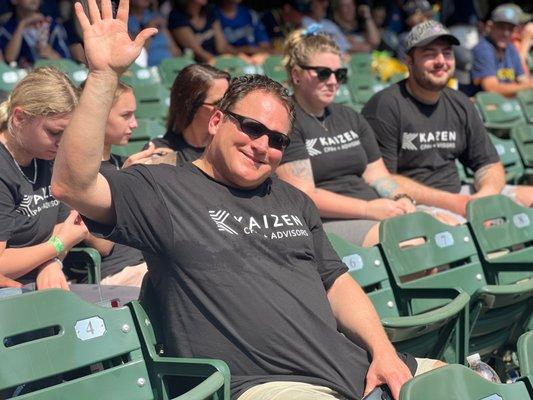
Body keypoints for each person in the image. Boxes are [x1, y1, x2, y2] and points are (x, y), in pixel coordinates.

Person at [52, 1, 444, 399]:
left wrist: (384, 352)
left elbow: (336, 281)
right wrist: (103, 76)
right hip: (268, 387)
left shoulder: (293, 201)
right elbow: (72, 185)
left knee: (477, 387)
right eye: (252, 128)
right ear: (218, 121)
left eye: (277, 140)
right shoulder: (163, 189)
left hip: (358, 370)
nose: (262, 146)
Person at [362, 20, 533, 222]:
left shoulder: (459, 102)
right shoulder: (385, 106)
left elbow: (489, 164)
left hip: (463, 195)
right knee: (466, 227)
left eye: (447, 52)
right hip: (413, 204)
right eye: (429, 53)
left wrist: (484, 197)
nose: (441, 60)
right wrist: (457, 204)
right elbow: (383, 178)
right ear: (408, 61)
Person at [275, 30, 416, 247]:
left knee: (445, 226)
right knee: (409, 242)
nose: (333, 82)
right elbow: (305, 195)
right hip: (328, 222)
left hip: (376, 211)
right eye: (323, 73)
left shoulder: (349, 116)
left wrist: (400, 197)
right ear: (296, 74)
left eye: (339, 74)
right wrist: (369, 209)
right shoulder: (286, 121)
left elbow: (376, 174)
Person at [0, 67, 88, 289]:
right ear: (19, 118)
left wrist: (50, 263)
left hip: (44, 282)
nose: (62, 142)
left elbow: (64, 225)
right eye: (54, 132)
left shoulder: (47, 157)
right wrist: (57, 246)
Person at [82, 82, 151, 286]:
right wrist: (126, 183)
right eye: (126, 115)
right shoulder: (76, 174)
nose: (134, 124)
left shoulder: (122, 163)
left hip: (148, 264)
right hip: (114, 275)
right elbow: (103, 245)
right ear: (98, 115)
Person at [148, 63, 230, 164]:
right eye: (219, 103)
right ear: (191, 106)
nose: (228, 109)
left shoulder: (231, 147)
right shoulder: (162, 154)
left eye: (230, 101)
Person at [471, 3, 533, 97]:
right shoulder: (483, 49)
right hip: (483, 107)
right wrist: (528, 86)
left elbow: (523, 79)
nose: (506, 33)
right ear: (490, 26)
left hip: (505, 106)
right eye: (501, 27)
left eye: (510, 29)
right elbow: (491, 88)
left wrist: (527, 84)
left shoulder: (510, 48)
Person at [0, 0, 71, 67]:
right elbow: (9, 59)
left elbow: (68, 63)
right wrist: (22, 24)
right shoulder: (6, 29)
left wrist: (51, 53)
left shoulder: (52, 26)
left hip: (51, 76)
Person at [129, 0, 181, 66]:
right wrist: (149, 29)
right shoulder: (126, 22)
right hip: (149, 67)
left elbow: (176, 51)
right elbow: (137, 56)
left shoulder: (155, 17)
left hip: (169, 64)